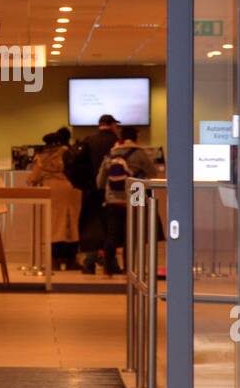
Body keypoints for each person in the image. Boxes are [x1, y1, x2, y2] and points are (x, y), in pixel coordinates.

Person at [95, 125, 156, 276]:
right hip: (135, 194)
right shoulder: (140, 153)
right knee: (132, 234)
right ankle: (129, 268)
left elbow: (100, 181)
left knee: (112, 234)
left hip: (112, 198)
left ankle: (108, 267)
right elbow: (152, 172)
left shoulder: (110, 154)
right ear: (135, 137)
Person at [69, 114, 121, 273]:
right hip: (113, 191)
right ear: (112, 125)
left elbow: (75, 164)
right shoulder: (116, 142)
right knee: (112, 228)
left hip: (91, 191)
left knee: (92, 226)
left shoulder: (88, 140)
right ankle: (111, 264)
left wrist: (84, 184)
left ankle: (89, 263)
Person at [28, 131, 82, 270]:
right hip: (72, 189)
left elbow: (32, 179)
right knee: (72, 224)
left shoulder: (41, 157)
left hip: (51, 191)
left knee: (54, 225)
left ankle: (55, 260)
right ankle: (71, 259)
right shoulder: (70, 153)